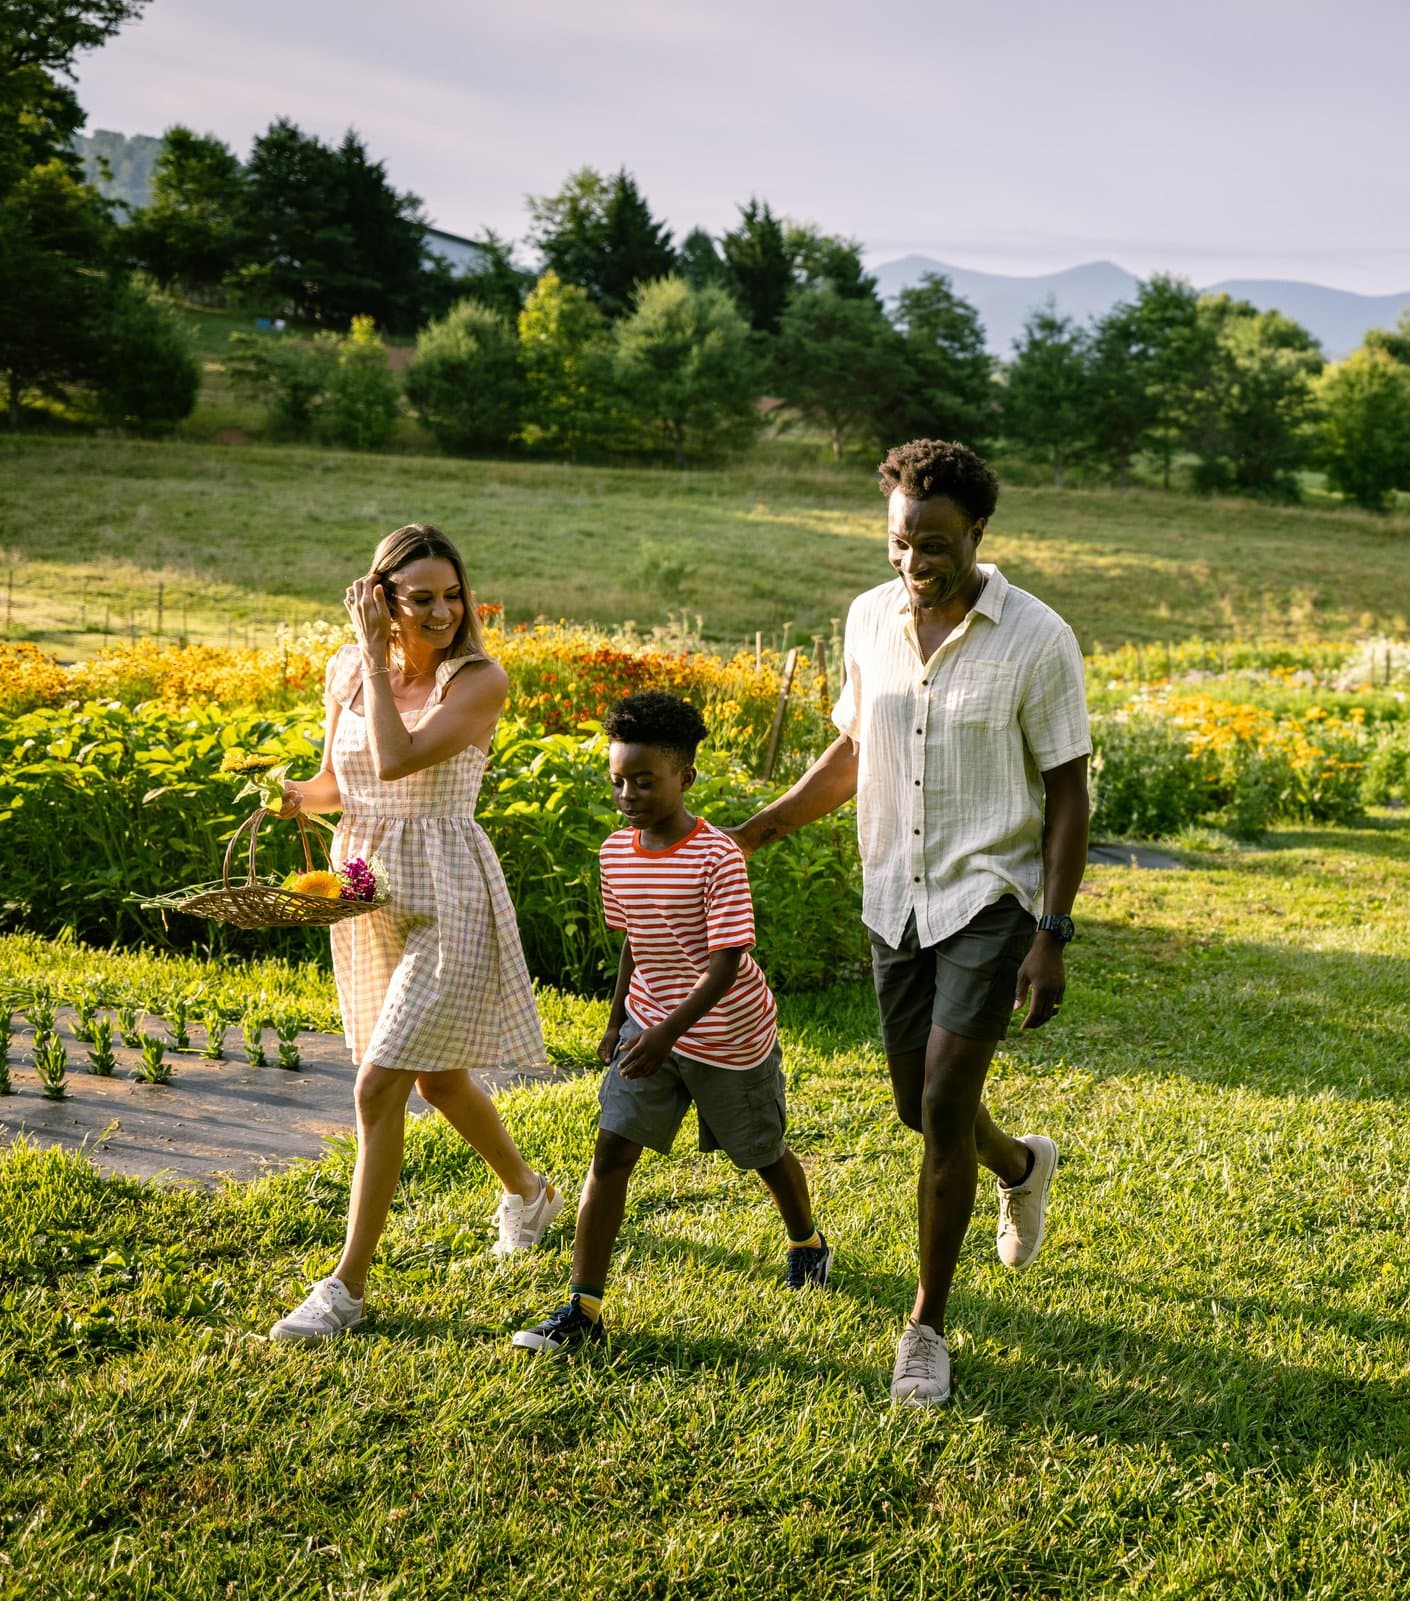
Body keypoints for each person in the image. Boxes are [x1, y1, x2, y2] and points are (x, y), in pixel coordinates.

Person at [732, 439, 1090, 1407]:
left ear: (978, 532)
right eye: (899, 541)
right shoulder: (868, 618)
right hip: (896, 888)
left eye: (933, 544)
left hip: (992, 893)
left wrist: (1051, 930)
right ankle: (1021, 1161)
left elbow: (1066, 793)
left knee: (938, 1110)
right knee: (914, 1102)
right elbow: (853, 744)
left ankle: (926, 1324)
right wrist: (758, 828)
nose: (913, 562)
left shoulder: (1038, 636)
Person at [268, 525, 561, 1342]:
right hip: (366, 886)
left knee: (377, 1084)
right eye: (421, 596)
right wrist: (292, 795)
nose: (443, 610)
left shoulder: (479, 680)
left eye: (452, 593)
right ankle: (530, 1191)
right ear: (384, 597)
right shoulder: (345, 674)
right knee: (435, 1077)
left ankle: (345, 1289)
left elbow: (397, 764)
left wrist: (369, 649)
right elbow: (343, 784)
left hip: (447, 891)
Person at [512, 692, 827, 1353]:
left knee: (761, 1153)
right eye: (618, 780)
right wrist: (620, 1017)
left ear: (685, 776)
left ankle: (807, 1240)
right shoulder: (615, 853)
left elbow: (725, 962)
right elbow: (636, 939)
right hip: (648, 1028)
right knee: (611, 1153)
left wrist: (663, 1034)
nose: (628, 793)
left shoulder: (718, 856)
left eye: (644, 780)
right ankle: (583, 1310)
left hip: (728, 1039)